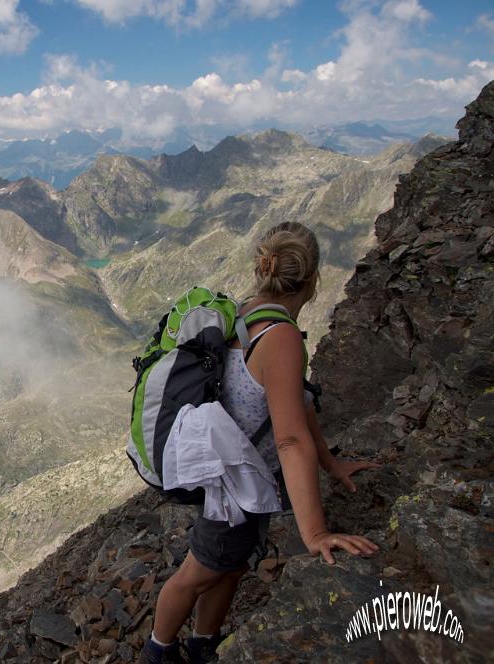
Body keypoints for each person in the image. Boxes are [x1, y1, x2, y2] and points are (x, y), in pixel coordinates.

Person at [139, 222, 382, 664]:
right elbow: (289, 439)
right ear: (312, 280)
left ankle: (202, 644)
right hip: (234, 487)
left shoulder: (247, 312)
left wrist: (330, 464)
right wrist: (316, 533)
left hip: (230, 473)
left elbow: (297, 402)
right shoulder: (283, 337)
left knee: (228, 566)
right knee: (199, 572)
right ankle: (159, 652)